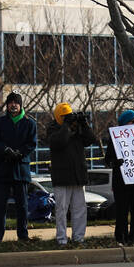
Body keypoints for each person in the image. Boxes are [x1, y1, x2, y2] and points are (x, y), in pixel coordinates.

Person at [47, 102, 97, 247]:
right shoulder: (53, 129)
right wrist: (66, 126)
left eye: (68, 115)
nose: (67, 118)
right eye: (64, 116)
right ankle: (61, 239)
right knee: (61, 210)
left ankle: (78, 238)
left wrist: (84, 124)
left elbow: (91, 140)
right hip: (61, 177)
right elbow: (59, 142)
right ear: (58, 116)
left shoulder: (78, 128)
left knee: (80, 209)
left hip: (78, 175)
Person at [0, 92, 37, 244]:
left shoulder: (30, 123)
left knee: (22, 206)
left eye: (16, 102)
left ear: (21, 105)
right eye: (10, 102)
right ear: (7, 105)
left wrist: (20, 153)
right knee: (0, 207)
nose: (13, 105)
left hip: (20, 171)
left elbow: (32, 143)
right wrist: (5, 150)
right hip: (3, 170)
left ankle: (23, 236)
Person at [105, 109, 134, 245]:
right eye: (133, 121)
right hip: (122, 182)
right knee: (122, 211)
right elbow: (108, 159)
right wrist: (116, 162)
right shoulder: (114, 138)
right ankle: (121, 237)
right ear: (124, 123)